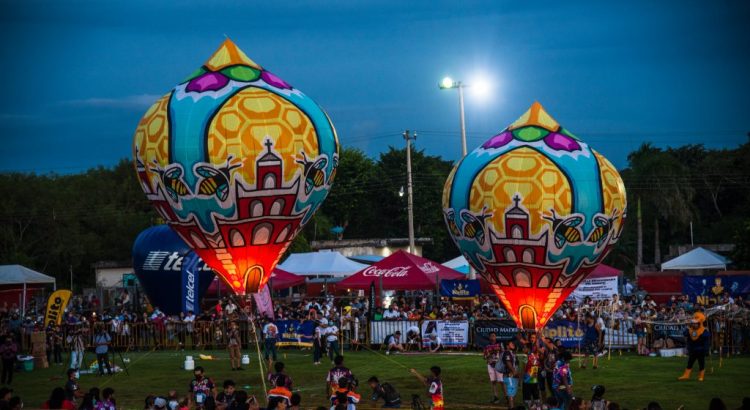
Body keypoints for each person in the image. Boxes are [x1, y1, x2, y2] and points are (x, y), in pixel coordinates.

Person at [678, 311, 711, 382]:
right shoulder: (690, 330)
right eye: (693, 323)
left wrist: (706, 350)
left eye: (695, 323)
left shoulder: (703, 331)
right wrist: (687, 327)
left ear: (699, 323)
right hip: (692, 350)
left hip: (700, 350)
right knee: (690, 363)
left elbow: (706, 342)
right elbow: (685, 334)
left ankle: (701, 376)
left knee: (701, 363)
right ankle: (686, 375)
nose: (694, 324)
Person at [483, 332, 503, 404]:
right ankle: (496, 397)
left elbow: (503, 353)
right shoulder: (487, 346)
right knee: (493, 381)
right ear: (489, 337)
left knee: (501, 381)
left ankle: (507, 396)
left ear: (496, 337)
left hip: (498, 365)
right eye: (491, 336)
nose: (492, 337)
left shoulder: (499, 345)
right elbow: (484, 357)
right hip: (490, 365)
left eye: (494, 336)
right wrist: (487, 356)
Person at [500, 341, 519, 408]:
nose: (513, 344)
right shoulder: (507, 352)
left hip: (512, 375)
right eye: (511, 343)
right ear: (507, 346)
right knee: (511, 392)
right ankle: (511, 407)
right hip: (509, 375)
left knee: (513, 392)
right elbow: (508, 363)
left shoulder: (512, 353)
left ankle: (511, 406)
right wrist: (514, 371)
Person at [522, 344, 541, 409]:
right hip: (534, 380)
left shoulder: (525, 357)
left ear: (528, 349)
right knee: (536, 398)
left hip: (527, 380)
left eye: (524, 348)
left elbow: (524, 369)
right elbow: (538, 367)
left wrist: (520, 379)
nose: (523, 349)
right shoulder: (536, 356)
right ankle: (538, 408)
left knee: (527, 399)